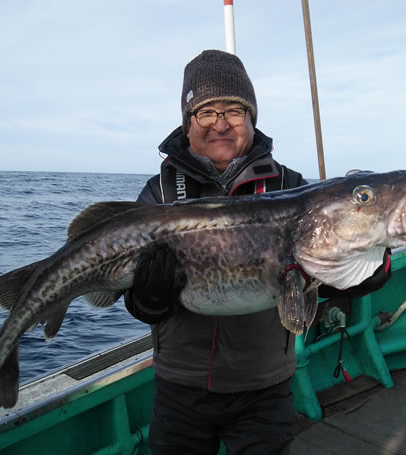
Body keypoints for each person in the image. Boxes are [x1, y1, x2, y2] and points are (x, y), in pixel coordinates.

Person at [125, 49, 391, 455]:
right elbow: (136, 302)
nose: (220, 124)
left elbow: (339, 270)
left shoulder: (291, 186)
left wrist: (373, 260)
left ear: (251, 117)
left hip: (265, 388)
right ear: (188, 121)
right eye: (205, 112)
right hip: (181, 386)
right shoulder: (159, 194)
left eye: (233, 110)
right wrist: (147, 297)